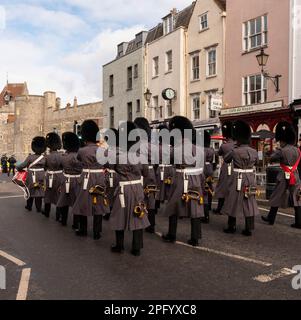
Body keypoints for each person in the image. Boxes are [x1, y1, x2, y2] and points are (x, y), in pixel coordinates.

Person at [162, 116, 204, 247]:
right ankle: (195, 238)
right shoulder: (199, 149)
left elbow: (170, 162)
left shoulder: (176, 149)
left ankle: (172, 234)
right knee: (196, 207)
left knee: (174, 206)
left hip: (180, 177)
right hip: (196, 177)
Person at [110, 121, 150, 256]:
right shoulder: (141, 157)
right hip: (137, 188)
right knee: (138, 216)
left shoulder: (117, 158)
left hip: (122, 189)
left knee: (119, 217)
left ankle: (119, 245)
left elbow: (111, 169)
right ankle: (136, 247)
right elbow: (146, 174)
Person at [71, 120, 109, 239]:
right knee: (98, 204)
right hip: (99, 177)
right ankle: (97, 232)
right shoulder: (102, 150)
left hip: (86, 178)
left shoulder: (82, 151)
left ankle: (83, 229)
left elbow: (77, 161)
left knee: (83, 203)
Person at [222, 120, 259, 236]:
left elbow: (226, 159)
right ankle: (249, 228)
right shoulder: (254, 151)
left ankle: (231, 226)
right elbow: (257, 163)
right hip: (250, 178)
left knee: (233, 201)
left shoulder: (235, 151)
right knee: (249, 201)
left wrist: (234, 148)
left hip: (237, 178)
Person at [262, 122, 301, 229]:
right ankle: (299, 221)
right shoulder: (297, 150)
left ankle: (271, 218)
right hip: (295, 175)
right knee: (297, 197)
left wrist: (272, 152)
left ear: (283, 140)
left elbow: (271, 158)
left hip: (284, 175)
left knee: (276, 195)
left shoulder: (282, 150)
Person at [134, 117, 159, 234]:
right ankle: (151, 224)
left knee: (140, 198)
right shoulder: (152, 146)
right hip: (151, 172)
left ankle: (140, 220)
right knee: (151, 198)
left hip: (140, 173)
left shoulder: (136, 146)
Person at [57, 132, 83, 227]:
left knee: (64, 201)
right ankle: (76, 223)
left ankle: (63, 220)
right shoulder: (79, 156)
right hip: (78, 180)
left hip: (66, 180)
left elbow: (60, 166)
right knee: (76, 202)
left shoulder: (63, 157)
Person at [17, 137, 46, 212]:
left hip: (31, 175)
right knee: (39, 191)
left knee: (29, 190)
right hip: (41, 175)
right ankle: (38, 208)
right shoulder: (44, 157)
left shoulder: (30, 157)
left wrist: (19, 168)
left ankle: (29, 206)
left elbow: (22, 165)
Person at [213, 121, 235, 215]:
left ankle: (219, 208)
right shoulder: (236, 144)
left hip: (226, 166)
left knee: (222, 188)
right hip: (236, 167)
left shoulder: (224, 146)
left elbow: (219, 154)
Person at [43, 132, 64, 220]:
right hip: (60, 176)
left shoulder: (47, 157)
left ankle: (47, 212)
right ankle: (58, 215)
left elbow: (45, 167)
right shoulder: (62, 156)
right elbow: (63, 166)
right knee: (59, 195)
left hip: (50, 176)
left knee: (48, 194)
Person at [201, 130, 215, 224]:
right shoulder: (212, 150)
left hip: (203, 169)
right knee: (209, 188)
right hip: (210, 168)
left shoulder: (201, 150)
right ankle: (209, 206)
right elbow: (215, 161)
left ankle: (205, 213)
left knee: (203, 191)